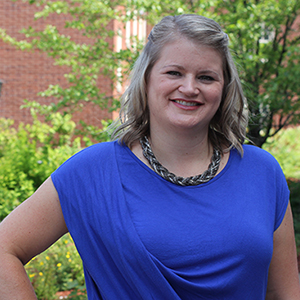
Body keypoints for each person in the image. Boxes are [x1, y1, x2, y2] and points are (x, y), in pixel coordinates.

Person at [0, 14, 299, 300]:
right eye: (174, 72)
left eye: (206, 77)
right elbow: (4, 247)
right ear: (146, 79)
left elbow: (282, 293)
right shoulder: (93, 172)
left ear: (225, 89)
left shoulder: (262, 172)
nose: (190, 88)